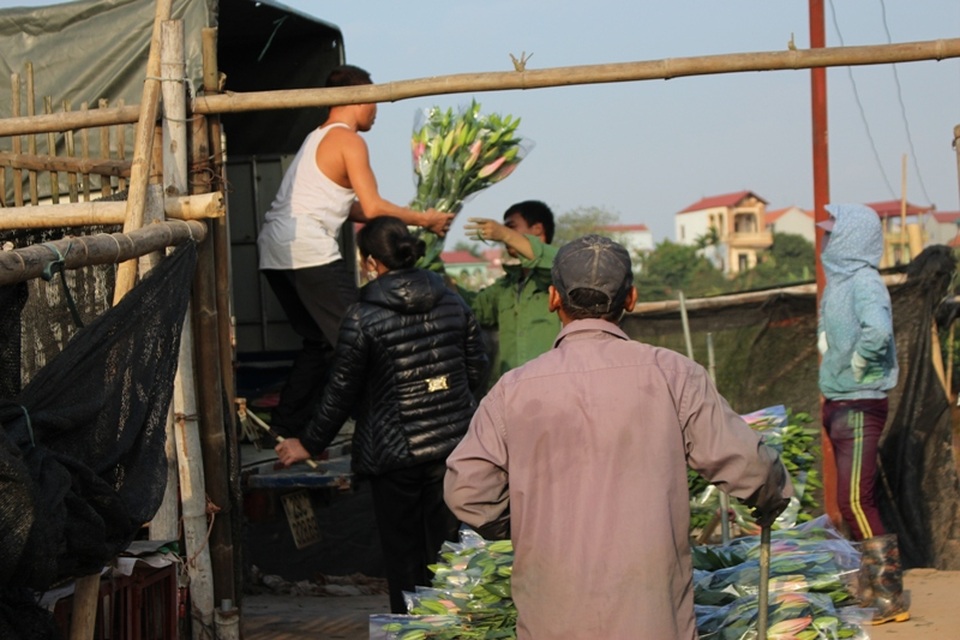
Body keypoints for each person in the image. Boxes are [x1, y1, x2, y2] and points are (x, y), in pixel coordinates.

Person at [444, 234, 793, 640]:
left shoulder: (513, 389)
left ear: (553, 298)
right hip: (649, 611)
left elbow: (467, 491)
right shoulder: (674, 375)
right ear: (631, 299)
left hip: (552, 611)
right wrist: (771, 497)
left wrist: (524, 526)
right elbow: (752, 468)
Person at [274, 216, 488, 614]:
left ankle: (412, 633)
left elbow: (340, 391)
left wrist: (307, 443)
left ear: (371, 261)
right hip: (452, 445)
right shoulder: (451, 299)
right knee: (451, 553)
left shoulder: (361, 317)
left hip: (394, 454)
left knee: (404, 561)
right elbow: (476, 365)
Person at [257, 64, 454, 435]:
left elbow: (353, 208)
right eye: (374, 99)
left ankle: (286, 427)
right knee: (360, 338)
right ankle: (381, 423)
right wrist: (424, 220)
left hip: (275, 251)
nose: (377, 109)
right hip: (306, 249)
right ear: (357, 98)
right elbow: (375, 207)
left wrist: (414, 218)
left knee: (319, 343)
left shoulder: (316, 137)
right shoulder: (349, 140)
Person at [817, 203, 909, 625]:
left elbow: (877, 330)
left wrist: (860, 361)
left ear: (852, 239)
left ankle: (889, 595)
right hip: (839, 399)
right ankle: (872, 587)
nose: (826, 240)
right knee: (847, 500)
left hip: (860, 399)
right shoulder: (838, 282)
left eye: (833, 234)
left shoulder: (866, 283)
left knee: (856, 499)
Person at [460, 200, 561, 388]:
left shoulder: (559, 275)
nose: (503, 237)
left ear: (538, 229)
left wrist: (504, 233)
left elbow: (558, 261)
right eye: (504, 228)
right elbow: (471, 308)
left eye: (511, 226)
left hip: (553, 387)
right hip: (513, 391)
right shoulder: (506, 286)